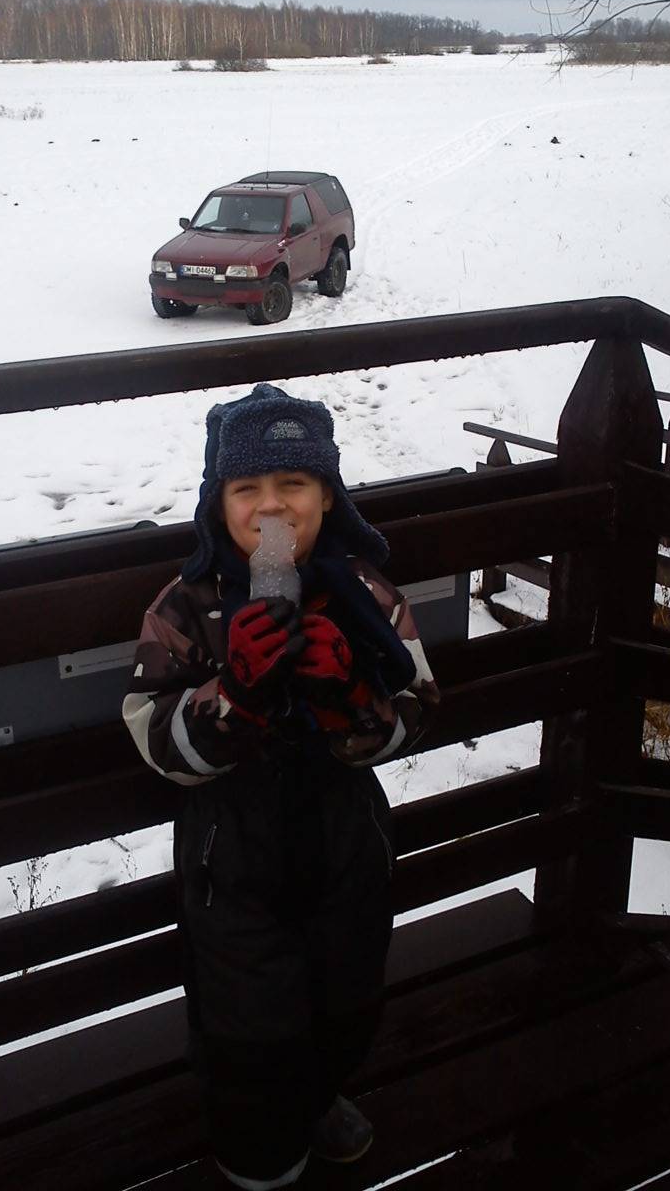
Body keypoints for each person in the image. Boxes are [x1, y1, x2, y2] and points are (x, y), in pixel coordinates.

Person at [122, 383, 439, 1190]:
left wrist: (351, 695)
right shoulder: (186, 606)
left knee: (345, 995)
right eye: (247, 488)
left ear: (327, 496)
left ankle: (319, 1094)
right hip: (232, 861)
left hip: (345, 845)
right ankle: (260, 1155)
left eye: (294, 483)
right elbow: (155, 738)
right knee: (248, 1025)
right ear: (217, 501)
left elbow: (416, 711)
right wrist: (233, 697)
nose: (271, 507)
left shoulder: (366, 596)